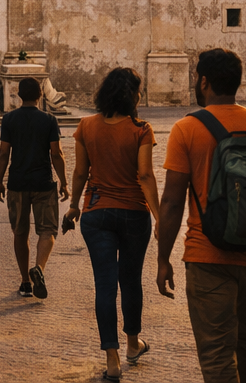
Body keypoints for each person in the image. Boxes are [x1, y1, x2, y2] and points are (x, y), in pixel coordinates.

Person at [156, 48, 246, 383]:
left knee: (216, 354)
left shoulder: (186, 129)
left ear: (204, 82)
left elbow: (172, 203)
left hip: (207, 256)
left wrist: (163, 259)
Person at [62, 68, 160, 381]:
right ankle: (132, 344)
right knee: (130, 280)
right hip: (133, 213)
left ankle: (112, 359)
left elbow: (80, 172)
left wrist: (74, 205)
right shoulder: (141, 129)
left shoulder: (86, 125)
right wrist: (160, 217)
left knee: (104, 285)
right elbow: (145, 175)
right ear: (133, 96)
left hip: (96, 212)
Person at [0, 76, 68, 299]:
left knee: (20, 232)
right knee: (47, 231)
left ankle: (25, 282)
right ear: (40, 95)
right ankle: (39, 268)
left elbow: (4, 153)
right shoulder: (49, 120)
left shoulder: (9, 119)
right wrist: (64, 182)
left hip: (17, 183)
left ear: (19, 95)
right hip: (43, 183)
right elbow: (56, 153)